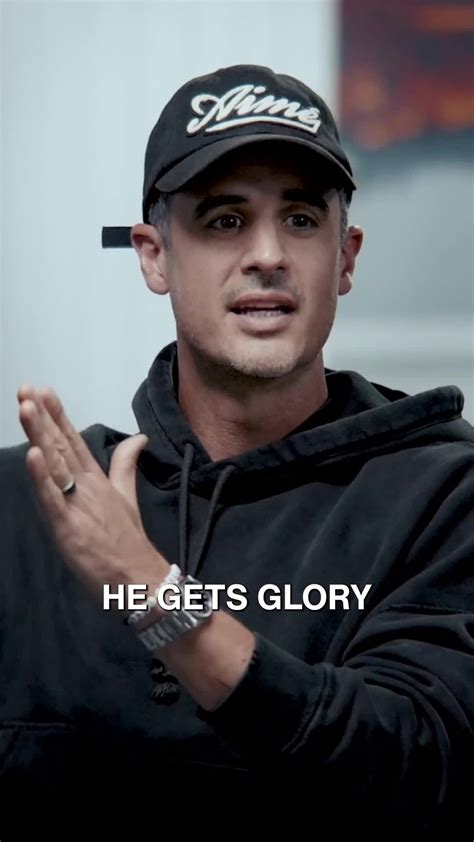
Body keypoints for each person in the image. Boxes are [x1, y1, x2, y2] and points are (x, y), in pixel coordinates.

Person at [1, 64, 473, 838]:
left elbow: (420, 763)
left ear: (346, 257)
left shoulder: (445, 494)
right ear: (153, 256)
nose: (267, 254)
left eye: (301, 219)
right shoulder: (27, 507)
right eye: (224, 220)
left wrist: (153, 595)